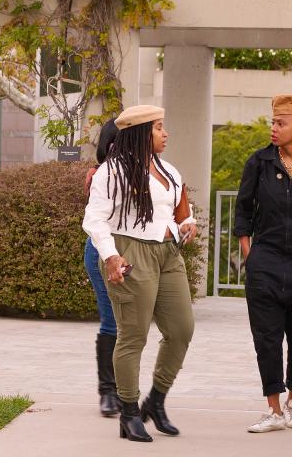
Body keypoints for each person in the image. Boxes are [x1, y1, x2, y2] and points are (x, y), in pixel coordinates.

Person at [82, 105, 196, 442]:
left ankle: (155, 401)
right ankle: (129, 412)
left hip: (168, 253)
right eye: (159, 128)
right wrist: (111, 256)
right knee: (133, 335)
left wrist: (187, 225)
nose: (166, 134)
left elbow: (179, 213)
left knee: (181, 329)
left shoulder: (170, 172)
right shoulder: (112, 172)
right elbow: (94, 219)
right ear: (141, 132)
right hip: (131, 252)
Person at [234, 94, 292, 433]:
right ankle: (273, 409)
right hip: (265, 263)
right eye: (273, 122)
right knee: (266, 339)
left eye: (281, 123)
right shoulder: (259, 162)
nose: (273, 128)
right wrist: (249, 254)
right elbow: (243, 209)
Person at [83, 119, 120, 417]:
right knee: (111, 321)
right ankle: (108, 392)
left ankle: (126, 390)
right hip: (101, 252)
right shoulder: (101, 175)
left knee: (131, 327)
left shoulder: (153, 173)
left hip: (138, 253)